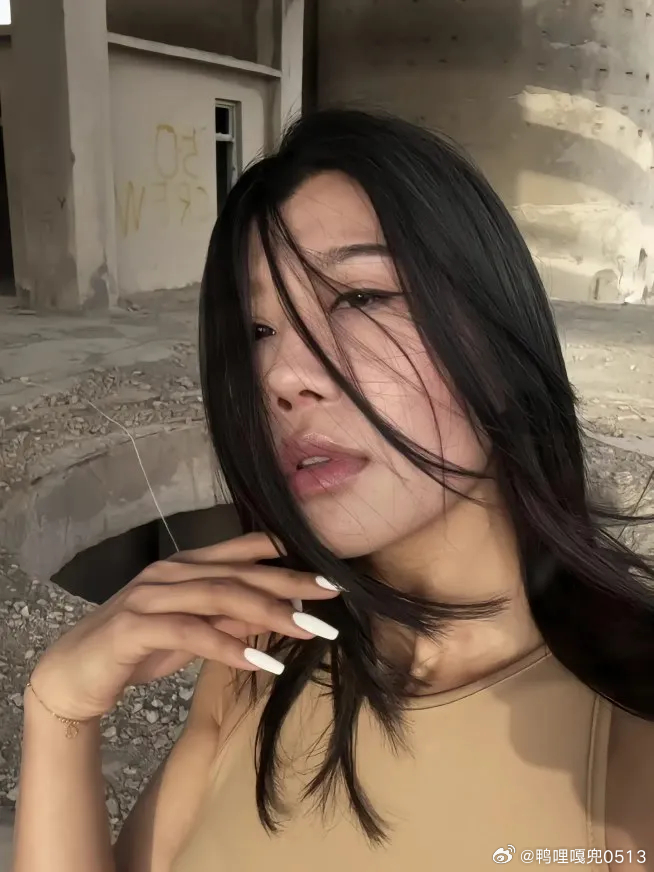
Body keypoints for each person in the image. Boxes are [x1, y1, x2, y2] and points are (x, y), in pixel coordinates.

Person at [12, 110, 654, 872]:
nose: (282, 377)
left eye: (359, 299)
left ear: (499, 333)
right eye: (257, 332)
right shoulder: (262, 653)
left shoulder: (627, 728)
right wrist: (59, 710)